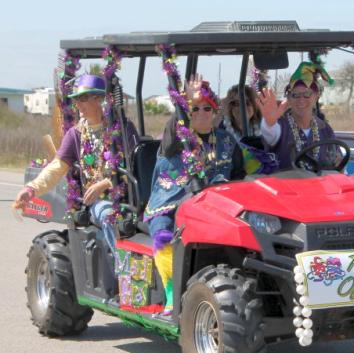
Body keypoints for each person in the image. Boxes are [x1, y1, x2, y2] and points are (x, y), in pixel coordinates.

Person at [144, 77, 245, 315]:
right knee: (163, 233)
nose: (201, 113)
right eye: (194, 108)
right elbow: (174, 129)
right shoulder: (176, 138)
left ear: (215, 111)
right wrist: (184, 101)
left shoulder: (226, 141)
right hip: (170, 204)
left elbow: (240, 174)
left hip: (216, 207)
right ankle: (171, 293)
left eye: (206, 108)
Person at [14, 74, 139, 252]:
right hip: (100, 202)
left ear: (100, 99)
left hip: (131, 197)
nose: (77, 105)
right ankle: (123, 273)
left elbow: (135, 166)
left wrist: (106, 182)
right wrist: (31, 189)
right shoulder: (75, 134)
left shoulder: (123, 129)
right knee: (109, 215)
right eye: (75, 100)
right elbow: (57, 167)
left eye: (82, 98)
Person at [256, 61, 336, 171]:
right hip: (285, 186)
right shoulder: (280, 125)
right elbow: (271, 133)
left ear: (316, 96)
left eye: (307, 94)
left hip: (319, 186)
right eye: (295, 95)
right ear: (288, 98)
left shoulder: (324, 128)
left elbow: (336, 160)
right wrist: (269, 122)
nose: (301, 100)